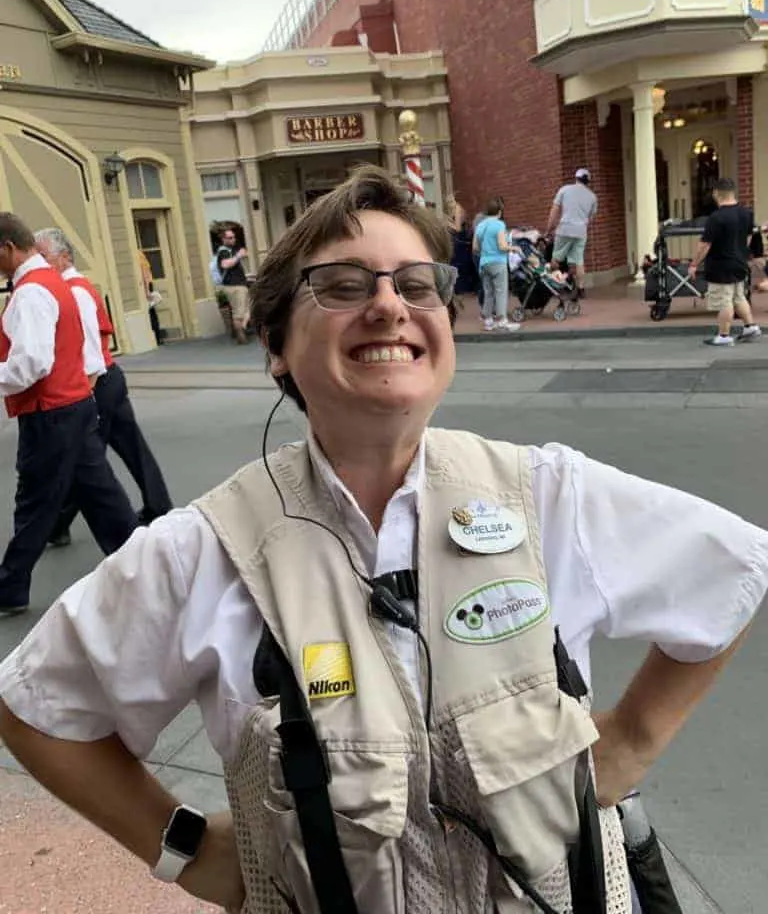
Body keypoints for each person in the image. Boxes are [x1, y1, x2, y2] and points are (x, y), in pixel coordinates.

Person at [0, 167, 766, 914]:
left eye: (418, 284)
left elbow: (734, 568)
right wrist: (189, 852)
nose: (389, 306)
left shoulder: (549, 497)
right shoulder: (202, 550)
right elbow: (35, 706)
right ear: (275, 345)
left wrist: (630, 743)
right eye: (342, 285)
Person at [0, 214, 139, 614]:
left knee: (35, 502)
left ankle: (9, 587)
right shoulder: (54, 283)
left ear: (8, 248)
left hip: (51, 413)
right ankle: (145, 563)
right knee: (102, 496)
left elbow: (31, 363)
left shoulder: (30, 292)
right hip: (74, 405)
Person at [34, 228, 173, 542]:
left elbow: (89, 353)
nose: (39, 263)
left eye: (44, 256)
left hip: (96, 383)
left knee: (83, 459)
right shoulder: (72, 288)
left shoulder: (73, 292)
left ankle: (59, 525)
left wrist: (84, 397)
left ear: (64, 256)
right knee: (125, 449)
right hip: (108, 379)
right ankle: (158, 505)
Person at [689, 178, 763, 347]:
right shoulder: (747, 213)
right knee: (738, 297)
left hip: (721, 265)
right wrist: (741, 252)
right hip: (739, 262)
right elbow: (749, 237)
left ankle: (724, 336)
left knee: (724, 300)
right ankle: (750, 327)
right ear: (733, 191)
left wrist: (694, 264)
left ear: (716, 193)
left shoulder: (716, 217)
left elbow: (705, 244)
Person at [547, 168, 598, 298]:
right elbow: (590, 218)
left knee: (556, 258)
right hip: (581, 231)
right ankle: (581, 289)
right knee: (579, 261)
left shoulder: (564, 190)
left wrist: (549, 229)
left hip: (565, 229)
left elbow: (554, 211)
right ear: (588, 182)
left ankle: (557, 284)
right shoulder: (592, 197)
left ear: (576, 178)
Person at [473, 197, 518, 331]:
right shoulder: (499, 225)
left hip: (484, 263)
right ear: (499, 211)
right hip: (498, 262)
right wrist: (513, 248)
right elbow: (502, 246)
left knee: (488, 292)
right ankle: (502, 320)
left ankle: (488, 321)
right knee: (501, 291)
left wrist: (486, 252)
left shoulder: (480, 225)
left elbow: (475, 247)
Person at [216, 227, 250, 344]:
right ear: (224, 239)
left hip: (240, 284)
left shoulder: (231, 250)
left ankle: (241, 329)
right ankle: (240, 335)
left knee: (247, 309)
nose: (233, 239)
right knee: (239, 313)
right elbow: (225, 265)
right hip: (234, 286)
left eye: (234, 237)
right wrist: (238, 256)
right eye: (230, 238)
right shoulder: (223, 251)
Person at [138, 249, 166, 346]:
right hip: (149, 284)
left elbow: (144, 274)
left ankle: (156, 337)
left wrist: (147, 292)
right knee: (152, 311)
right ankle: (158, 337)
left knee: (150, 312)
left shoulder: (138, 256)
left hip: (146, 286)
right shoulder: (141, 254)